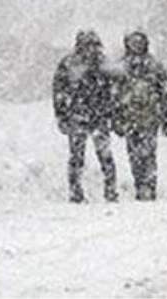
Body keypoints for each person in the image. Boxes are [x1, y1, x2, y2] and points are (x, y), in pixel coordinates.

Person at [53, 30, 118, 203]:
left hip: (94, 116)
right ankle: (78, 192)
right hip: (80, 116)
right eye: (86, 45)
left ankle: (109, 190)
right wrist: (61, 115)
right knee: (79, 157)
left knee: (102, 156)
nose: (90, 49)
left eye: (92, 45)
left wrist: (112, 112)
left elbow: (114, 92)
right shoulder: (70, 64)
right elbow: (59, 91)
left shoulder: (102, 64)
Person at [116, 31, 167, 201]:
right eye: (133, 42)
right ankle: (139, 184)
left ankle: (149, 186)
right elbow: (115, 96)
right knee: (134, 156)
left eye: (139, 42)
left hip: (150, 118)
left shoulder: (154, 65)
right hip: (130, 119)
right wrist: (117, 119)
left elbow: (165, 94)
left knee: (148, 154)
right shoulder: (121, 67)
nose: (136, 46)